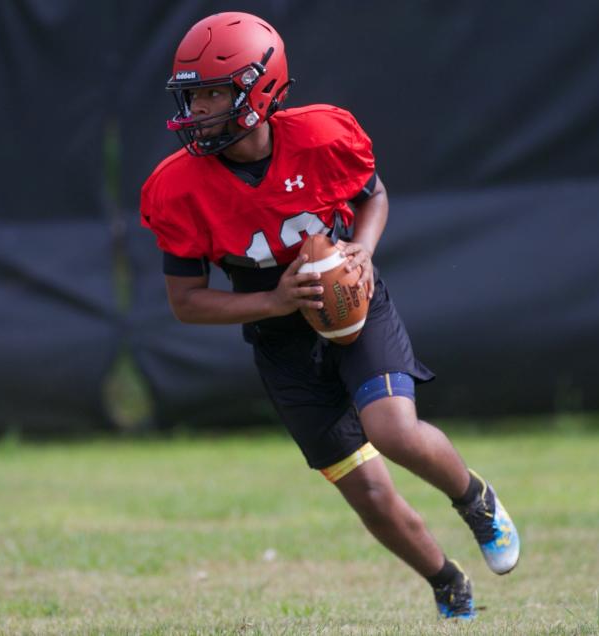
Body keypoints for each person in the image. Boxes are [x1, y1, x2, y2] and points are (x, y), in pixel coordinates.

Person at [140, 11, 519, 620]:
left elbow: (373, 195)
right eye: (194, 94)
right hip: (279, 337)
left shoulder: (319, 136)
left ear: (259, 90)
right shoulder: (178, 186)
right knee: (368, 491)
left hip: (353, 305)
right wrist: (275, 301)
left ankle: (475, 501)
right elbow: (185, 302)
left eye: (214, 92)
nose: (199, 109)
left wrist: (361, 253)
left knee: (393, 431)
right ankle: (447, 581)